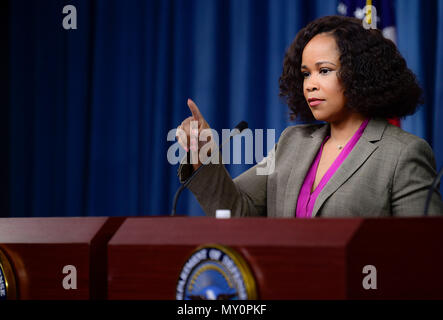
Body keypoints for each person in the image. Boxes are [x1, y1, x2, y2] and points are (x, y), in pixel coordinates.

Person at [175, 15, 443, 218]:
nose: (310, 84)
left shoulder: (403, 153)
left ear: (360, 74)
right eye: (305, 74)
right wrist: (202, 152)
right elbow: (235, 210)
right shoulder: (293, 142)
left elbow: (421, 252)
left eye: (323, 71)